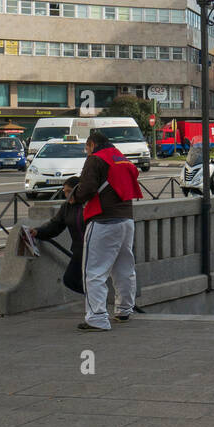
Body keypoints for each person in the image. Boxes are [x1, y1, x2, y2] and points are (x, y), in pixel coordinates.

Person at [68, 129, 141, 331]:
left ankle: (97, 318)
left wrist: (75, 197)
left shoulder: (95, 159)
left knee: (93, 271)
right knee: (124, 268)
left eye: (86, 148)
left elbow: (88, 187)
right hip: (126, 219)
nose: (86, 152)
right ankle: (124, 310)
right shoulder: (121, 158)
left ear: (92, 145)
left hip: (103, 220)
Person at [31, 179, 87, 295]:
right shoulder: (66, 207)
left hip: (95, 250)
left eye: (69, 191)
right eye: (65, 192)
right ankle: (95, 298)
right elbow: (55, 226)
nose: (67, 195)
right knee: (70, 280)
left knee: (93, 279)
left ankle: (97, 301)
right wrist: (38, 232)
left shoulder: (88, 204)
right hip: (79, 251)